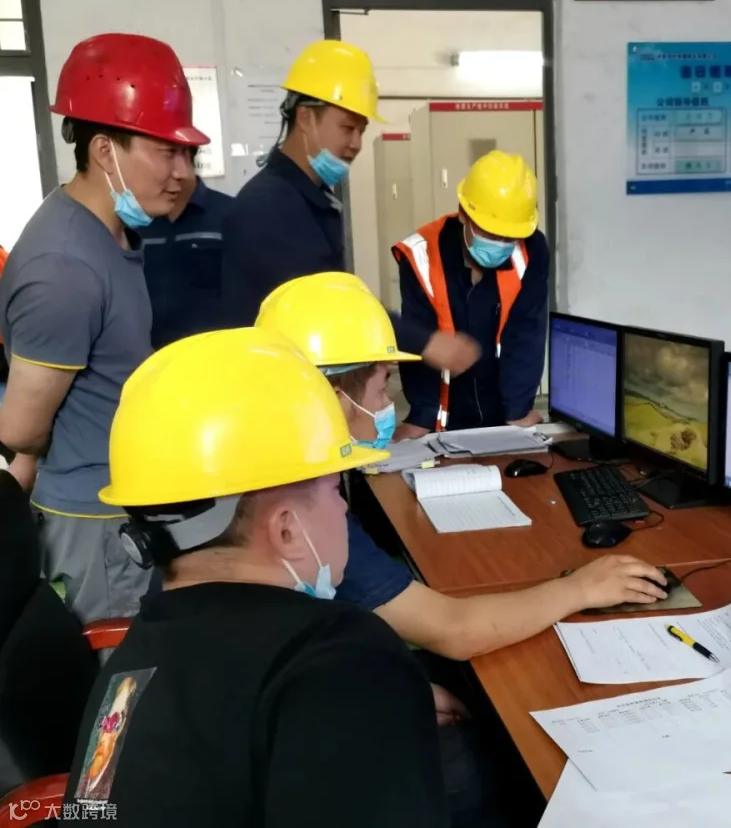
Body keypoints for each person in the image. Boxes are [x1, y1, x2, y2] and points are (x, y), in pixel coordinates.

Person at [256, 272, 669, 826]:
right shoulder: (309, 511)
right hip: (309, 750)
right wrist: (581, 587)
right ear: (334, 399)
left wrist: (397, 686)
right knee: (509, 760)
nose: (387, 404)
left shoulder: (272, 478)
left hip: (313, 696)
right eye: (381, 387)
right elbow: (454, 629)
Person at [61, 327, 449, 827]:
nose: (341, 507)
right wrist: (374, 693)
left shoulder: (129, 668)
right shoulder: (340, 653)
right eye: (336, 489)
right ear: (286, 529)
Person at [0, 33, 208, 623]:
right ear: (104, 150)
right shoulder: (64, 267)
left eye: (187, 155)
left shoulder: (112, 233)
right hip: (96, 529)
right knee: (119, 673)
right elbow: (20, 427)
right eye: (166, 152)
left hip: (124, 506)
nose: (182, 173)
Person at [221, 38, 479, 376]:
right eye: (347, 128)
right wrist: (425, 342)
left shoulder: (308, 198)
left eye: (361, 130)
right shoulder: (272, 206)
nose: (356, 143)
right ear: (305, 118)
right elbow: (326, 309)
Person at [393, 150, 549, 439]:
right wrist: (422, 416)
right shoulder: (421, 254)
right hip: (444, 418)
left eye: (509, 236)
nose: (500, 243)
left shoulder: (532, 249)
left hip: (502, 411)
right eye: (490, 232)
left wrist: (517, 411)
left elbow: (526, 333)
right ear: (463, 213)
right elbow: (420, 336)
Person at [138, 146, 233, 348]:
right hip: (150, 357)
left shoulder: (230, 214)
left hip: (215, 354)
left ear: (186, 158)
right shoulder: (137, 220)